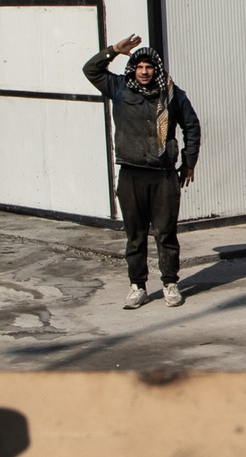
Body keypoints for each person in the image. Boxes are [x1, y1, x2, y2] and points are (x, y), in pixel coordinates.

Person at [84, 35, 200, 309]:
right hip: (131, 173)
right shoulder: (119, 87)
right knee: (135, 236)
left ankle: (170, 283)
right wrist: (114, 50)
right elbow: (91, 70)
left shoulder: (171, 94)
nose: (144, 72)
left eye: (149, 67)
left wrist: (188, 162)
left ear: (156, 69)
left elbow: (191, 126)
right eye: (140, 67)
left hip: (163, 174)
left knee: (165, 233)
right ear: (133, 69)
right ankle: (137, 286)